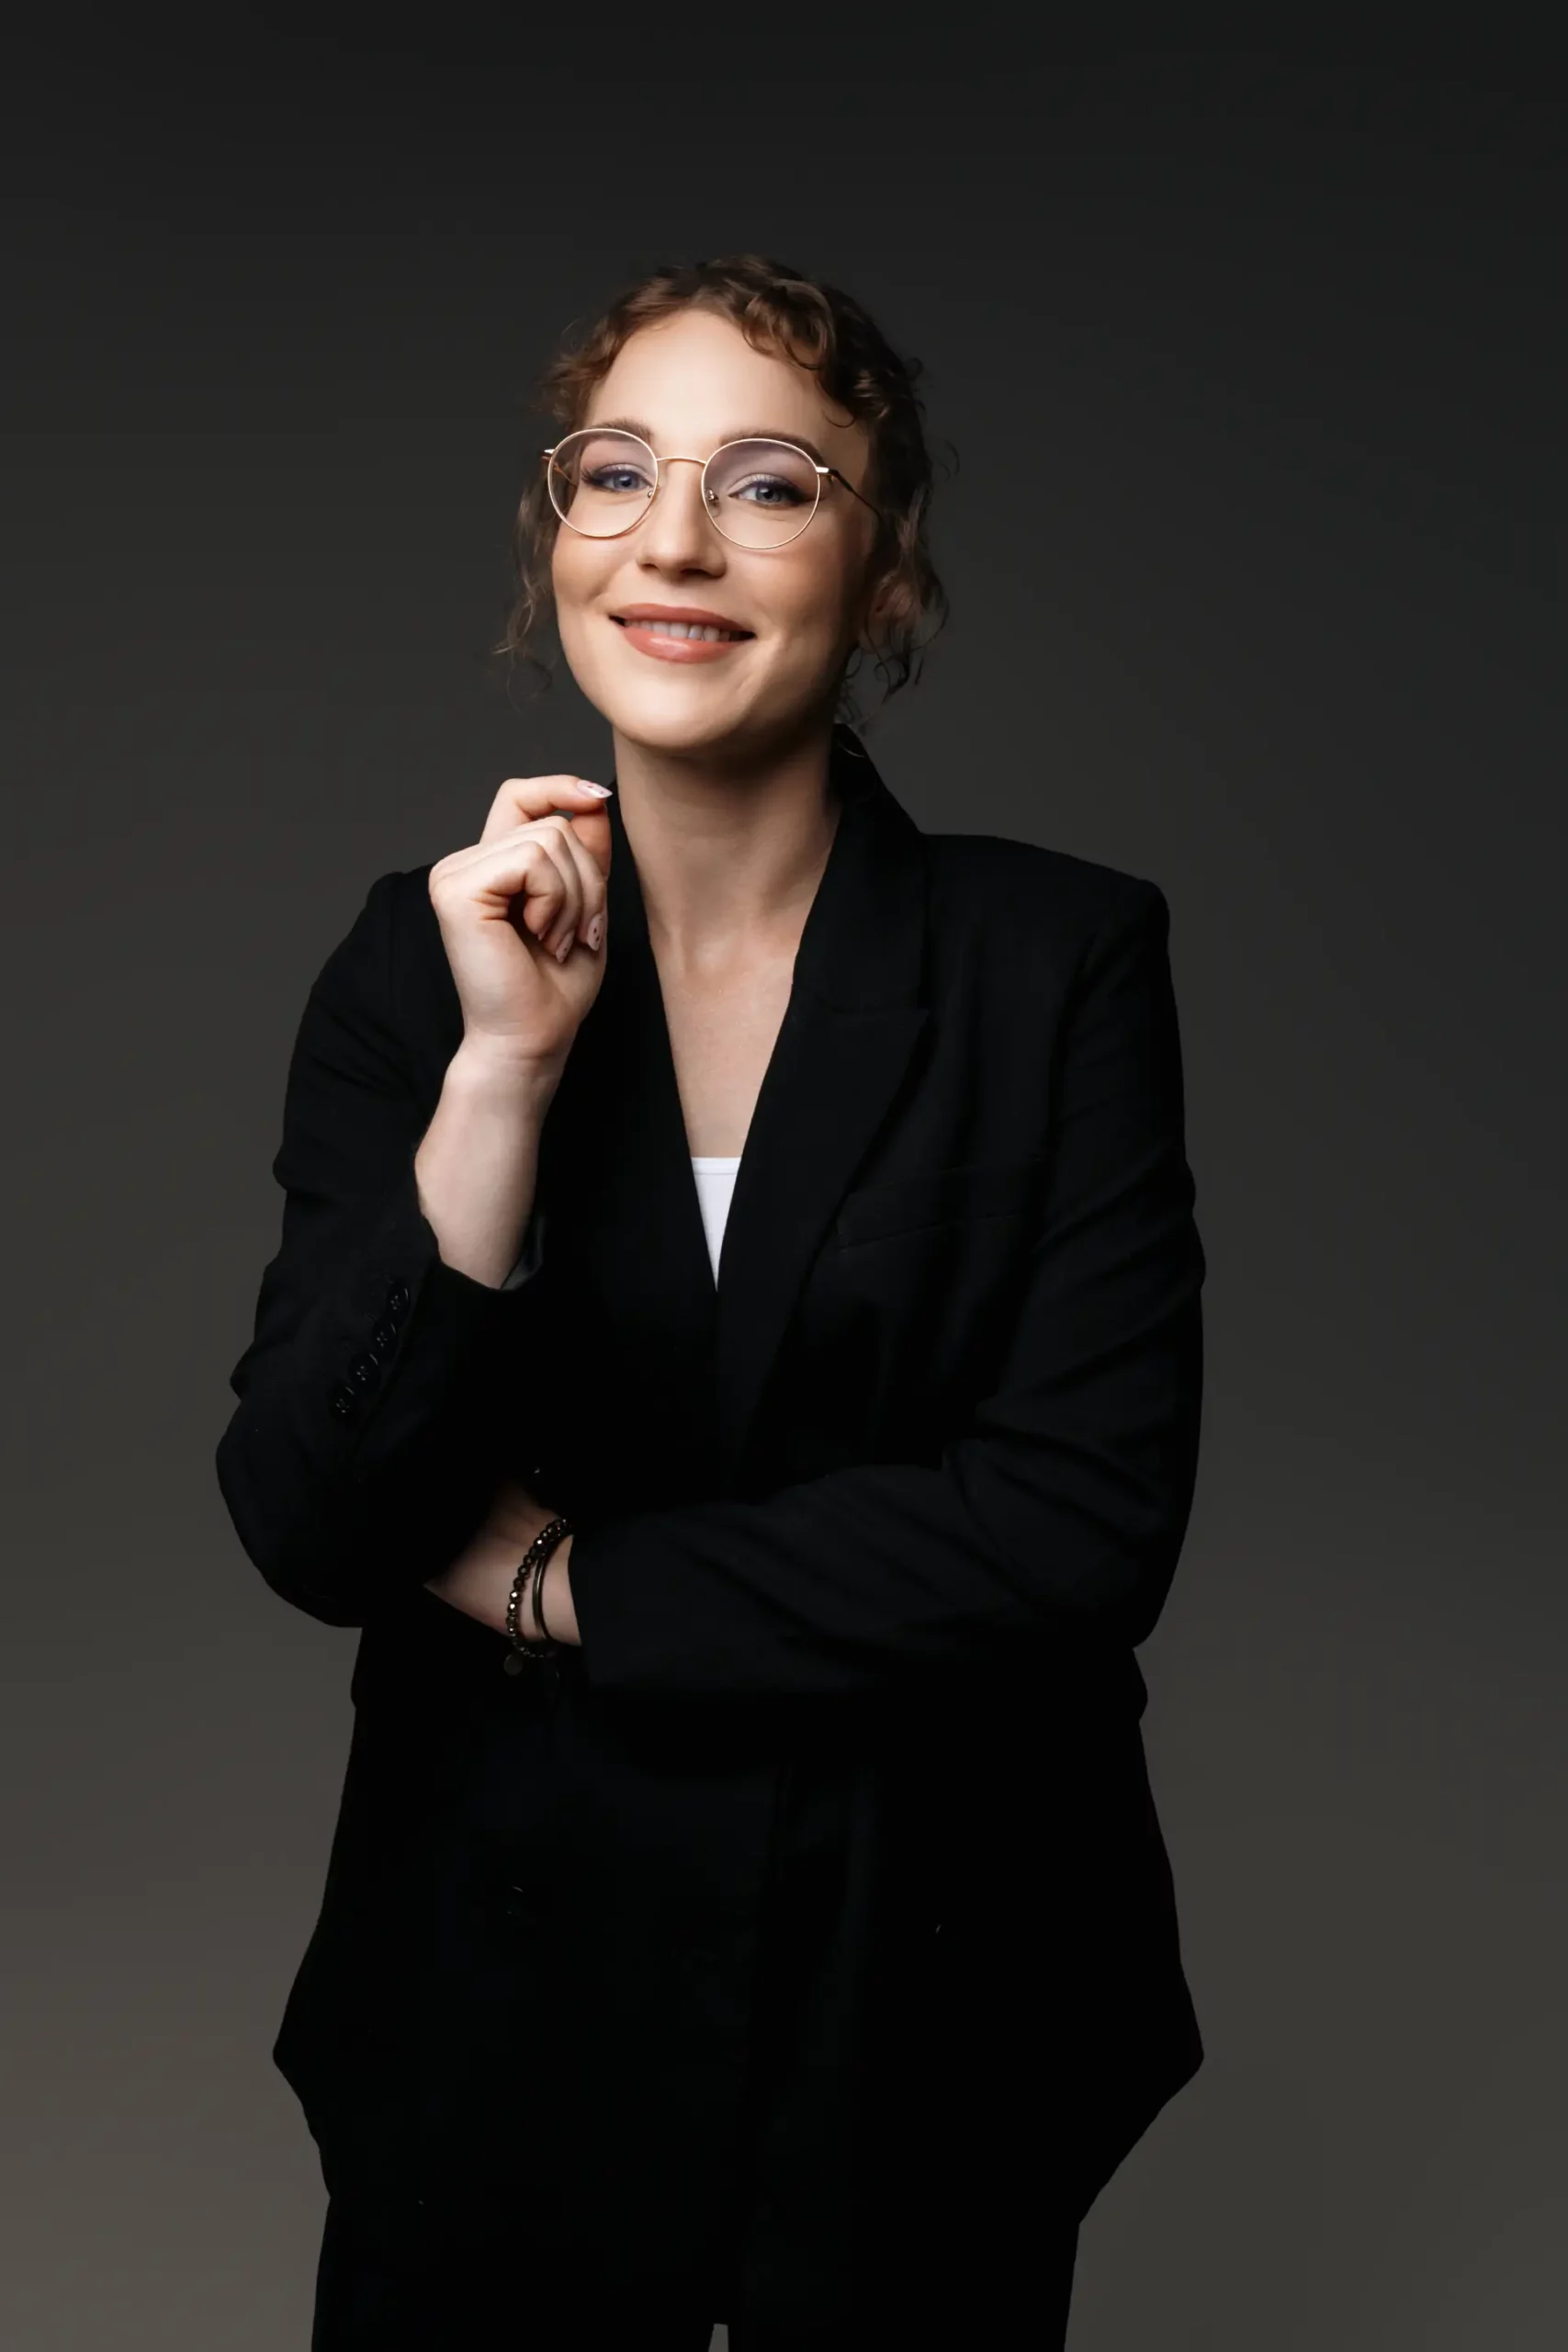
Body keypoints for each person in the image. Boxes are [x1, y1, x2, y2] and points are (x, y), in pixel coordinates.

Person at [215, 253, 1207, 2350]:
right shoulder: (417, 965)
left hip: (920, 1987)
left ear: (883, 567)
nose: (673, 539)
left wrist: (562, 1584)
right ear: (558, 542)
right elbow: (313, 1518)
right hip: (496, 2000)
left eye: (766, 481)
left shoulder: (1055, 964)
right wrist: (503, 1073)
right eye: (617, 473)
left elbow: (1075, 1526)